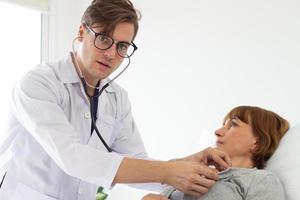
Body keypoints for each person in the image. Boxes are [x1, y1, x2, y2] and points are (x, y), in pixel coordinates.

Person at [0, 0, 231, 199]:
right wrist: (169, 171)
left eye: (122, 46)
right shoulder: (39, 83)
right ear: (81, 32)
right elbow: (72, 157)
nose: (111, 54)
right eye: (103, 39)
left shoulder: (117, 98)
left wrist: (190, 162)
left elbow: (137, 162)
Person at [142, 105, 289, 200]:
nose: (218, 132)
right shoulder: (192, 175)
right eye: (223, 125)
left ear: (257, 143)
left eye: (233, 125)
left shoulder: (261, 180)